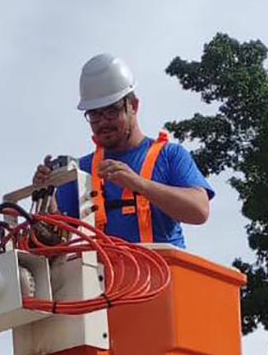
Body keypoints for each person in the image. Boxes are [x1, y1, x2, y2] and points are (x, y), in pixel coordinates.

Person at [33, 53, 213, 248]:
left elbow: (199, 210)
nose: (102, 122)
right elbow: (58, 240)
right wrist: (46, 197)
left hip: (165, 274)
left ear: (133, 106)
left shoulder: (169, 155)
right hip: (105, 277)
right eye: (94, 114)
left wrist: (138, 184)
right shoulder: (81, 170)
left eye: (111, 111)